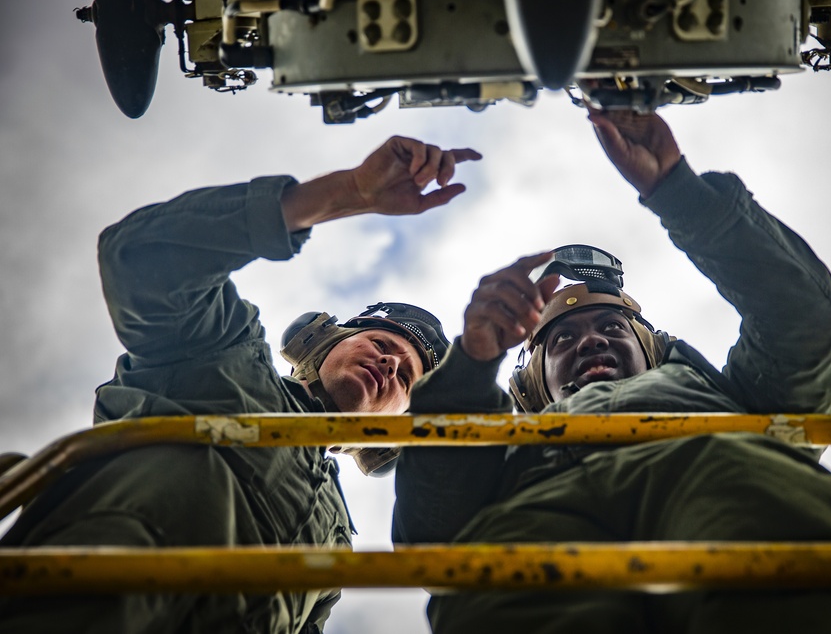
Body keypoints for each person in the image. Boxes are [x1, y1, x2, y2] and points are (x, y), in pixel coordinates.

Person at [392, 110, 831, 633]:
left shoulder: (737, 403)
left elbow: (808, 328)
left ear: (654, 350)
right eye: (563, 339)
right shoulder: (501, 461)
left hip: (712, 465)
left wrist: (680, 193)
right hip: (536, 518)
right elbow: (432, 535)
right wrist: (471, 364)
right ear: (533, 385)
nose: (593, 340)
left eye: (612, 327)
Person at [0, 136, 481, 633]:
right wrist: (347, 194)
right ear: (327, 341)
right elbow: (140, 259)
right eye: (382, 343)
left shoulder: (334, 543)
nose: (389, 364)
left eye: (405, 375)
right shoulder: (223, 355)